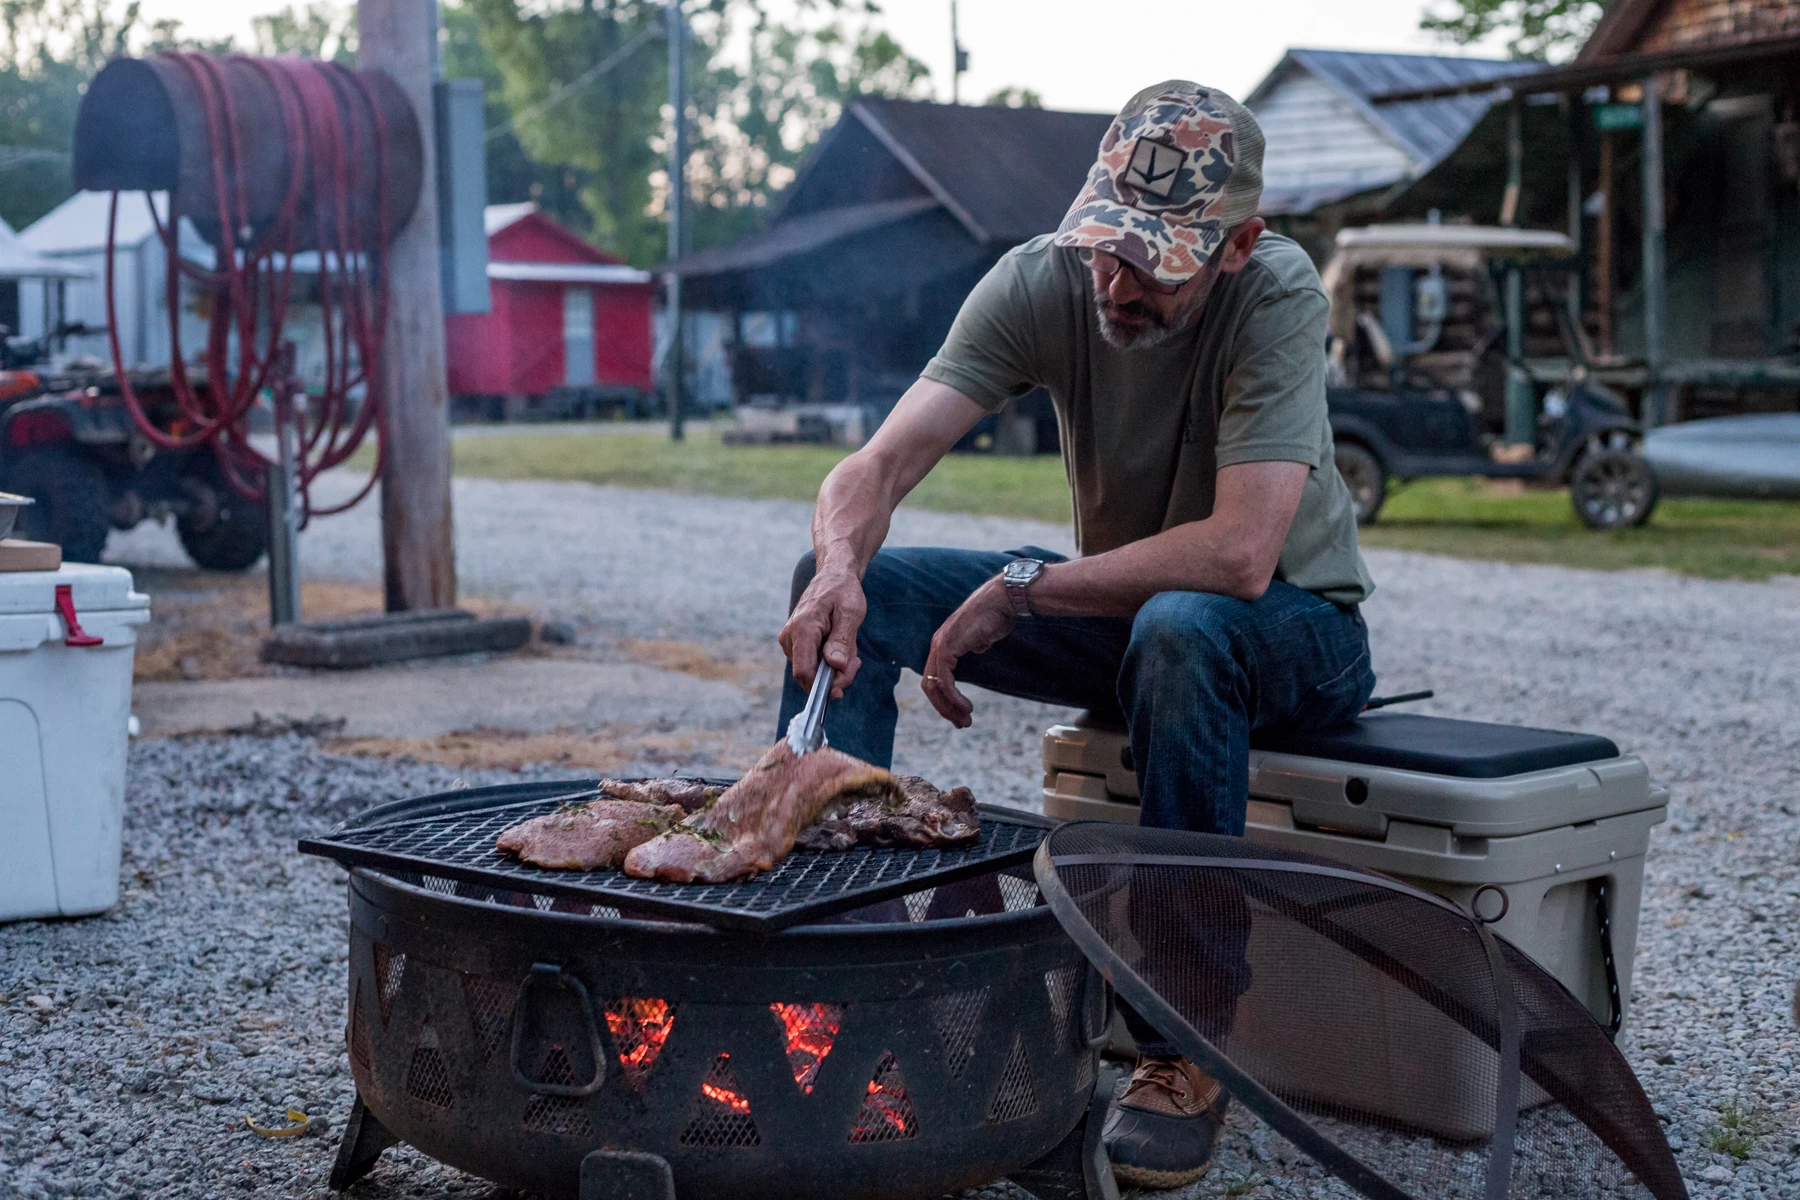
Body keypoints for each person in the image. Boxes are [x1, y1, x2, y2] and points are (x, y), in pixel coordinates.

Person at [776, 80, 1376, 1189]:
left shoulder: (1278, 292)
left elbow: (1241, 553)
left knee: (1185, 626)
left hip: (1291, 625)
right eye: (1106, 245)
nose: (1117, 282)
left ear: (1239, 245)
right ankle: (834, 972)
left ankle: (1181, 1043)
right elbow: (880, 464)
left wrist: (1027, 589)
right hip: (1130, 617)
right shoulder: (1044, 276)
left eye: (1157, 262)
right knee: (850, 581)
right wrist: (842, 569)